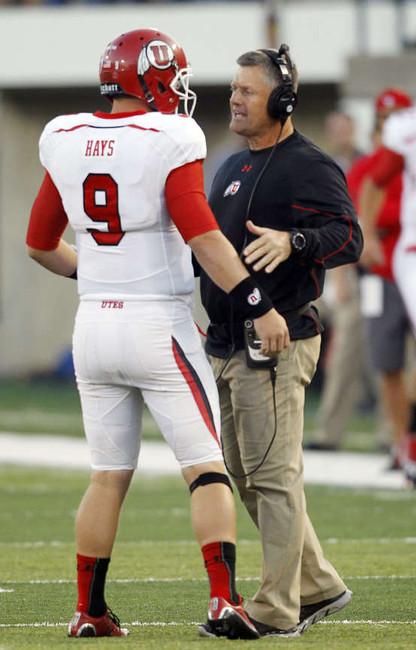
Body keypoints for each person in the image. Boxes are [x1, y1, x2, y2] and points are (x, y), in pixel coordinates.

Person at [26, 28, 289, 640]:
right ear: (150, 78)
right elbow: (204, 238)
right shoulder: (171, 135)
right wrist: (258, 304)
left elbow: (39, 245)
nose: (180, 88)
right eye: (173, 76)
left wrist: (99, 273)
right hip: (157, 325)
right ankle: (224, 601)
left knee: (107, 475)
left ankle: (88, 611)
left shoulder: (66, 136)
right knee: (207, 470)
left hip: (92, 326)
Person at [196, 45, 362, 637]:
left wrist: (295, 242)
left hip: (277, 339)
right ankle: (316, 586)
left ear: (282, 100)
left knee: (272, 474)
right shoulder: (232, 165)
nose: (234, 98)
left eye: (247, 90)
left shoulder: (307, 164)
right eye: (234, 88)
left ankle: (275, 610)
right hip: (228, 341)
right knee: (247, 472)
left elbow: (348, 237)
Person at [351, 88, 414, 470]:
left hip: (405, 265)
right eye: (385, 120)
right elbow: (359, 213)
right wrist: (370, 230)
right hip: (381, 276)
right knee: (387, 363)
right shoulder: (368, 168)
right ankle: (400, 441)